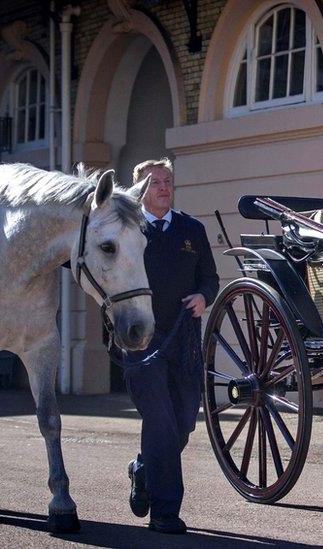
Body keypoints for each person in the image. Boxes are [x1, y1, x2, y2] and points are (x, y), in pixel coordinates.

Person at [114, 158, 218, 534]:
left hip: (185, 341)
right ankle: (164, 513)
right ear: (138, 189)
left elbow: (210, 277)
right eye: (155, 182)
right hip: (142, 341)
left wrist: (205, 296)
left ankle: (143, 469)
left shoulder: (192, 228)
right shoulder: (126, 229)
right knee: (159, 421)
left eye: (167, 181)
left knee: (183, 423)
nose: (163, 187)